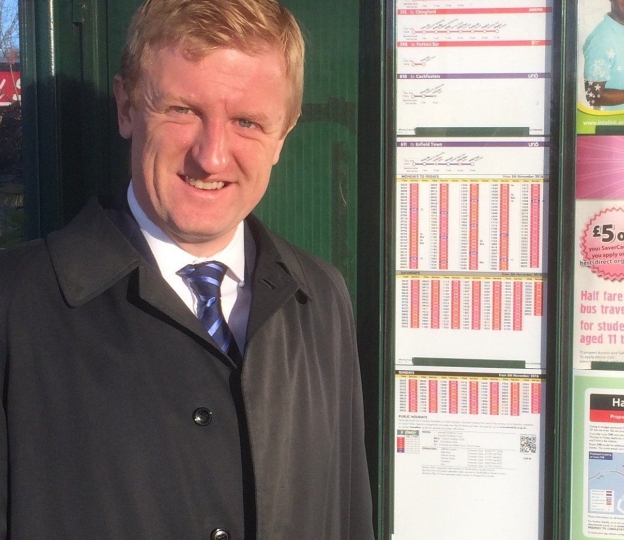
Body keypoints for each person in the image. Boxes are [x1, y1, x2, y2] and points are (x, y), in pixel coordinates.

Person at [0, 1, 374, 539]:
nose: (212, 156)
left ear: (284, 135)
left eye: (247, 121)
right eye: (183, 110)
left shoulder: (321, 298)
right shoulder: (14, 306)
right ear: (127, 107)